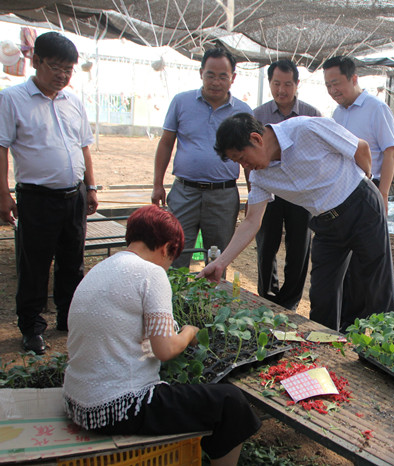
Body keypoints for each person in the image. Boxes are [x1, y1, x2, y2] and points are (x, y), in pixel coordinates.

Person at [63, 205, 260, 465]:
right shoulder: (151, 272)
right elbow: (165, 350)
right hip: (117, 408)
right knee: (231, 403)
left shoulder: (101, 269)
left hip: (77, 403)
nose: (168, 267)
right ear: (167, 248)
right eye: (171, 259)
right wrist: (189, 332)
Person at [198, 113, 394, 332]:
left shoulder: (306, 129)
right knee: (322, 294)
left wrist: (363, 182)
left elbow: (361, 148)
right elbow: (251, 221)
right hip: (326, 224)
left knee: (375, 285)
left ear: (256, 139)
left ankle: (387, 345)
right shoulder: (260, 177)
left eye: (242, 158)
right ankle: (327, 347)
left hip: (361, 208)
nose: (245, 166)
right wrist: (220, 263)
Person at [0, 31, 98, 354]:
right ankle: (31, 327)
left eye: (68, 69)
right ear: (35, 61)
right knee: (35, 264)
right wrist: (3, 194)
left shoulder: (73, 102)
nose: (62, 75)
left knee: (73, 261)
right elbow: (1, 148)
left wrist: (91, 187)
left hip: (74, 196)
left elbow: (84, 147)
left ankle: (69, 318)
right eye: (56, 67)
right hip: (37, 198)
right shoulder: (12, 99)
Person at [152, 48, 251, 271]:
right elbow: (166, 143)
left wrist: (252, 194)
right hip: (184, 192)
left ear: (233, 78)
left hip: (223, 196)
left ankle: (213, 295)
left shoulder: (243, 111)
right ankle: (174, 294)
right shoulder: (181, 102)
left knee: (218, 259)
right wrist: (157, 184)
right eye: (210, 75)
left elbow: (249, 157)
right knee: (175, 252)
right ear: (201, 73)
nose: (216, 82)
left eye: (223, 76)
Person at [322, 55, 394, 330]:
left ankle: (382, 327)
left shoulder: (376, 109)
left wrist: (383, 194)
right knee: (350, 264)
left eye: (337, 83)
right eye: (328, 86)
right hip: (344, 193)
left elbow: (390, 151)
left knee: (373, 262)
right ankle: (350, 323)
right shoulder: (337, 114)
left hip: (370, 189)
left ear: (353, 79)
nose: (333, 90)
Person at [251, 59, 321, 310]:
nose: (281, 90)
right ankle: (267, 296)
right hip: (269, 191)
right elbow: (249, 156)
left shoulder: (312, 114)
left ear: (297, 84)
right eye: (276, 83)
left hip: (301, 193)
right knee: (266, 244)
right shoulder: (257, 116)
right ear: (270, 83)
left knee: (299, 247)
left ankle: (290, 302)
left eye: (287, 84)